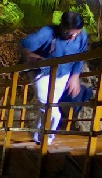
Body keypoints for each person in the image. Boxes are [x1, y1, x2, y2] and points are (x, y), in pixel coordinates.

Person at [21, 10, 89, 144]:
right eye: (69, 33)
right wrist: (29, 55)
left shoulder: (82, 36)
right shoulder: (48, 33)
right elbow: (25, 44)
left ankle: (36, 134)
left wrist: (75, 76)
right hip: (42, 73)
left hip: (63, 74)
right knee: (50, 108)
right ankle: (48, 139)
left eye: (76, 33)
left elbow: (81, 56)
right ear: (62, 26)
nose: (73, 36)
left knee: (48, 107)